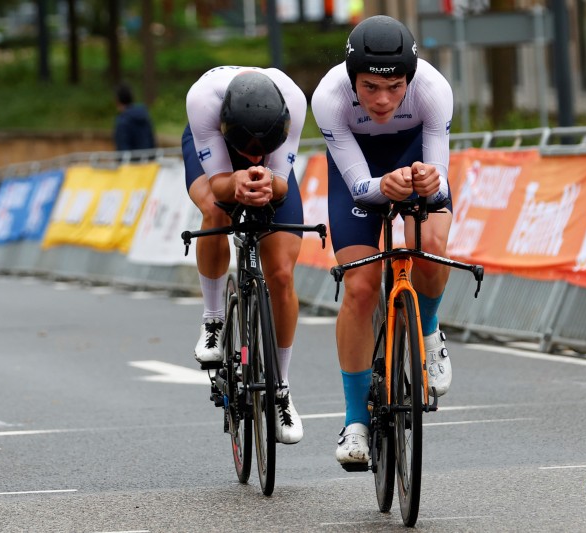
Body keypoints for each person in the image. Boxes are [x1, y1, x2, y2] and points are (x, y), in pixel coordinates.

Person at [311, 15, 454, 467]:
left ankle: (428, 331)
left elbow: (442, 182)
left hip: (412, 159)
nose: (383, 99)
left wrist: (430, 182)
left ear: (410, 79)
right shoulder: (329, 97)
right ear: (353, 78)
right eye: (370, 87)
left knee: (430, 249)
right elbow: (358, 187)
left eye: (395, 88)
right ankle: (355, 421)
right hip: (359, 172)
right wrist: (382, 187)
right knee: (359, 287)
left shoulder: (433, 89)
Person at [183, 67, 307, 444]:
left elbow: (282, 184)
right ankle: (213, 319)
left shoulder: (294, 101)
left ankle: (281, 388)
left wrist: (269, 180)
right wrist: (234, 181)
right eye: (248, 152)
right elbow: (219, 183)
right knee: (216, 211)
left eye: (261, 150)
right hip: (216, 154)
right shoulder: (203, 100)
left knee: (282, 275)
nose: (254, 157)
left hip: (274, 161)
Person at [114, 82, 156, 151]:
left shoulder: (122, 122)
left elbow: (122, 149)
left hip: (131, 161)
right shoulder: (145, 115)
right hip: (148, 160)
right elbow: (152, 143)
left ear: (117, 100)